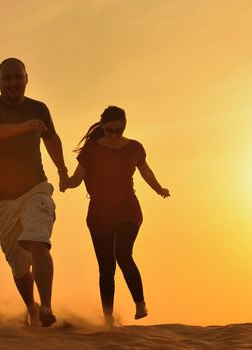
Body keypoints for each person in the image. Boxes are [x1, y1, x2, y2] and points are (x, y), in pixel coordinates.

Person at [0, 58, 68, 327]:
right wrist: (22, 128)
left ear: (27, 79)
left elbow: (52, 139)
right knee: (19, 266)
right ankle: (31, 307)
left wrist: (62, 171)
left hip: (34, 188)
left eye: (18, 77)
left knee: (37, 241)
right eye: (7, 78)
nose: (13, 83)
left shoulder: (39, 109)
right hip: (1, 199)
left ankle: (47, 306)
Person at [65, 106, 170, 326]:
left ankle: (140, 303)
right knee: (106, 268)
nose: (114, 135)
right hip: (99, 213)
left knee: (123, 252)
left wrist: (159, 188)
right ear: (103, 127)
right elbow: (76, 178)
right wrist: (66, 182)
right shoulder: (91, 151)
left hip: (127, 209)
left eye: (119, 130)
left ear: (125, 126)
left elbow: (146, 172)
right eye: (110, 130)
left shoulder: (134, 148)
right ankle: (108, 319)